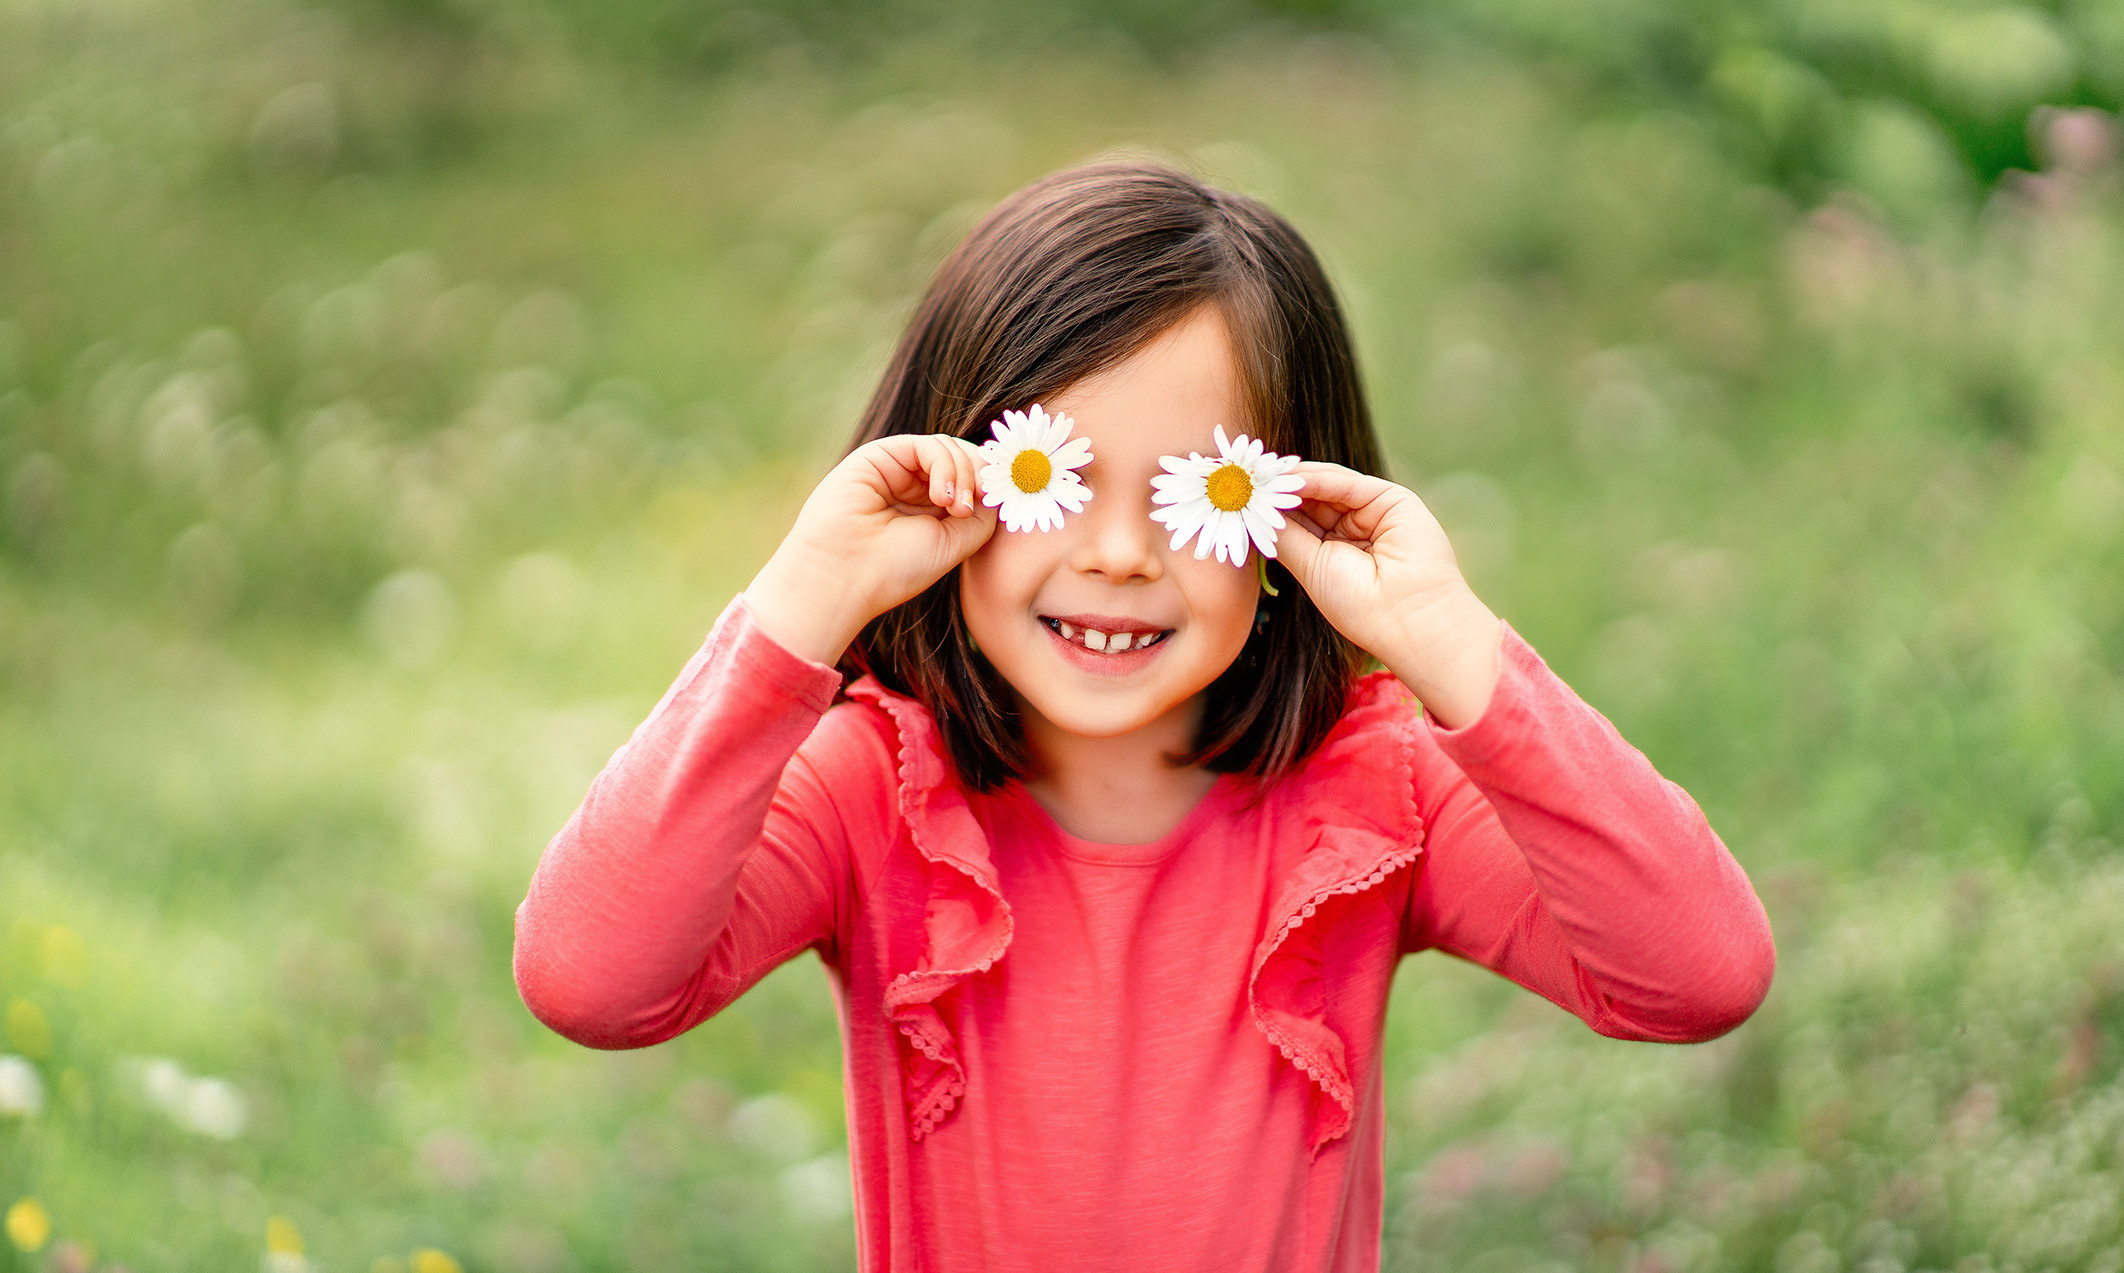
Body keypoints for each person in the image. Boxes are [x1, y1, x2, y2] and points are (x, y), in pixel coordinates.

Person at [512, 161, 1776, 1272]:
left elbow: (1697, 977)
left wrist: (1454, 645)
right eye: (1048, 477)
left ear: (1287, 516)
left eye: (1198, 490)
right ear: (948, 474)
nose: (1119, 552)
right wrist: (798, 609)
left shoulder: (1373, 795)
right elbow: (591, 980)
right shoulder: (874, 786)